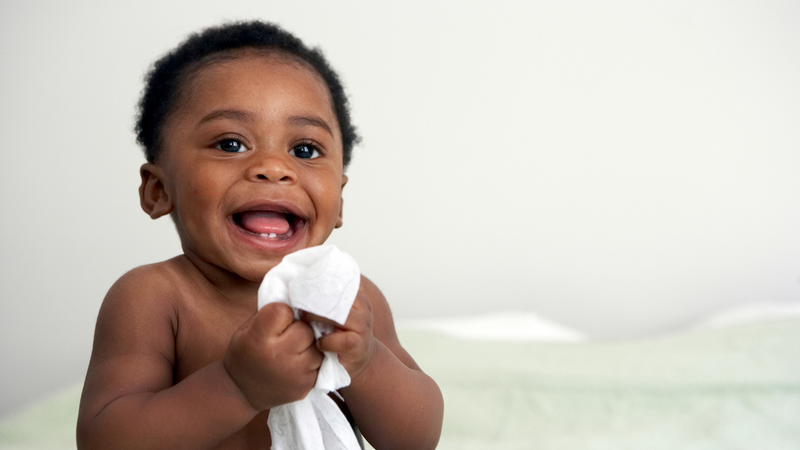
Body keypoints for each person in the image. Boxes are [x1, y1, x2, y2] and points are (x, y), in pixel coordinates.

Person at [76, 21, 444, 450]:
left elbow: (417, 440)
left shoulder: (352, 297)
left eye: (304, 150)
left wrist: (367, 363)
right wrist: (236, 386)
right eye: (231, 144)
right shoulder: (154, 298)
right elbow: (106, 439)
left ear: (339, 202)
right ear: (159, 191)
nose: (273, 167)